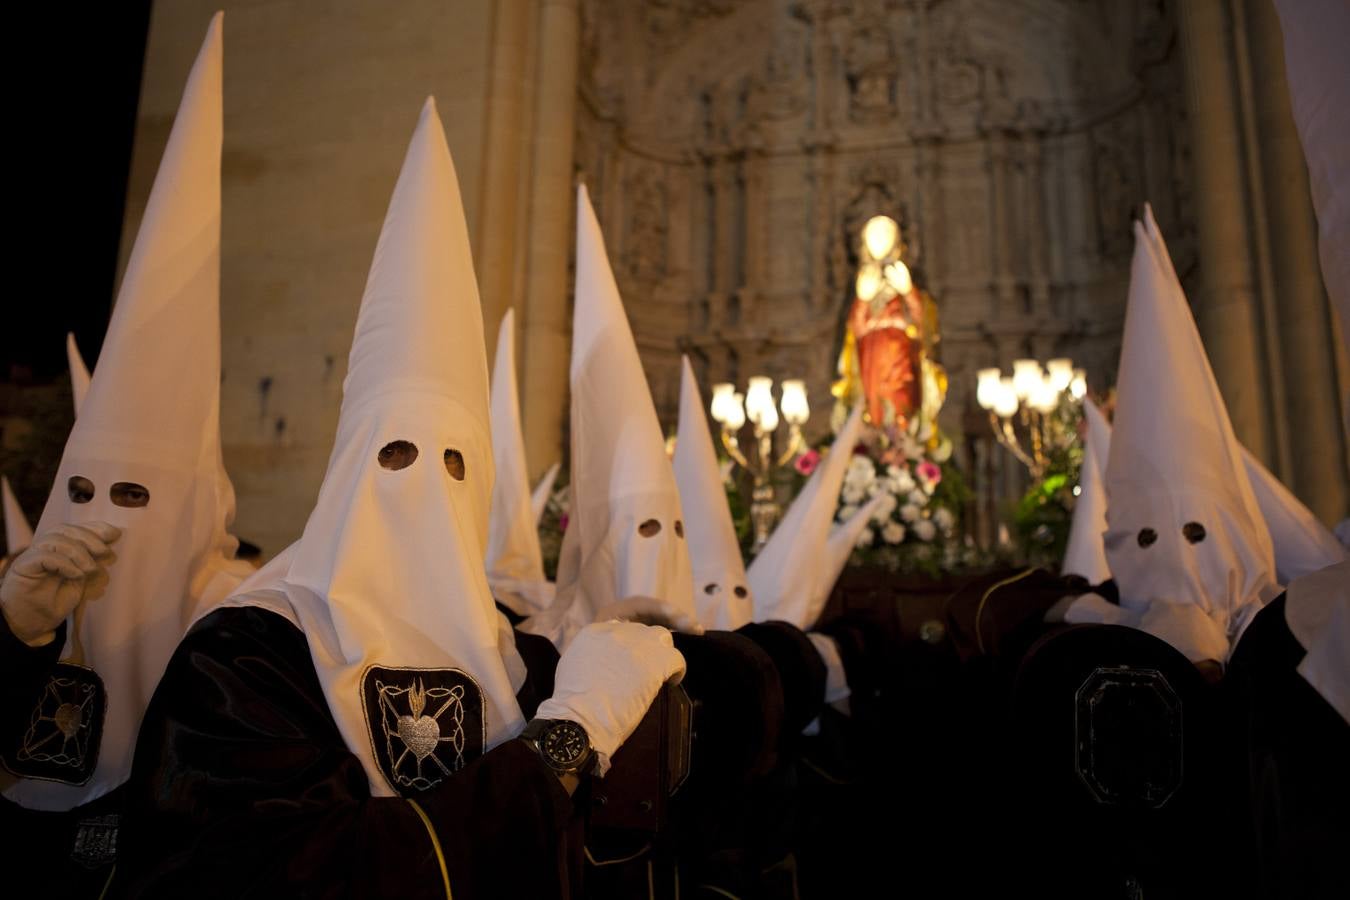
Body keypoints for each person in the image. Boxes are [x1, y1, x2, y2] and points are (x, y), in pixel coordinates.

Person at [116, 97, 683, 900]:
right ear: (347, 470)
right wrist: (566, 738)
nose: (423, 486)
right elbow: (283, 875)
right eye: (394, 453)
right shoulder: (250, 654)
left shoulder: (527, 663)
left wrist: (652, 650)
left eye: (456, 463)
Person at [0, 15, 252, 897]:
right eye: (79, 489)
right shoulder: (22, 605)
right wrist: (15, 633)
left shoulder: (244, 640)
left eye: (136, 493)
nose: (99, 517)